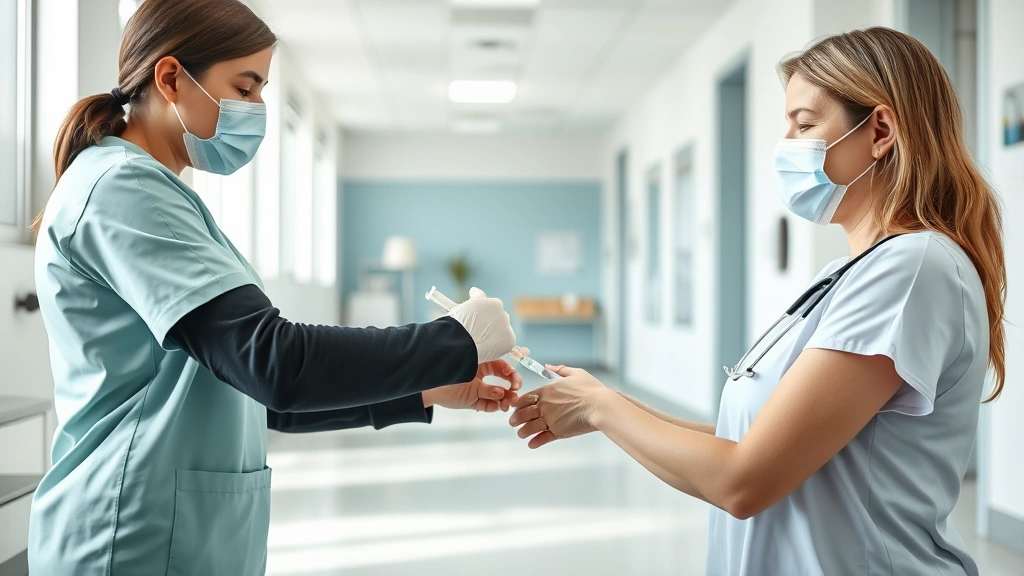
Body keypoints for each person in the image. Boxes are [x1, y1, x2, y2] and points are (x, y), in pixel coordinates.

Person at [30, 0, 521, 573]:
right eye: (245, 88)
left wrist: (427, 388)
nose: (257, 109)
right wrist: (452, 341)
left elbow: (248, 391)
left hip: (175, 530)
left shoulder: (157, 194)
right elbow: (276, 363)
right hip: (129, 532)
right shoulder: (124, 190)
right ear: (170, 78)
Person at [510, 27, 1005, 576]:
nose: (787, 145)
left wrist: (599, 408)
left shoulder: (911, 269)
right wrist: (606, 404)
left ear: (880, 130)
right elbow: (746, 443)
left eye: (805, 124)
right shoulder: (850, 273)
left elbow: (742, 480)